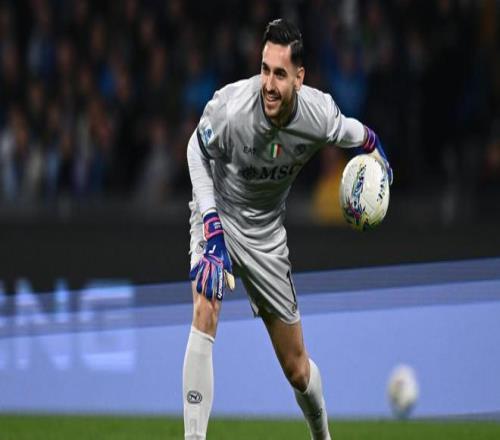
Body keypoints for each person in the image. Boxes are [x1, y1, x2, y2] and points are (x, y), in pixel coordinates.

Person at [183, 18, 392, 440]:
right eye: (264, 70)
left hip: (266, 237)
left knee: (297, 369)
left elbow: (352, 132)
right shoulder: (232, 107)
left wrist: (377, 151)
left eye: (280, 74)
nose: (269, 84)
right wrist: (211, 227)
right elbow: (195, 149)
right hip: (219, 214)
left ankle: (322, 436)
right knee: (206, 305)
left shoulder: (318, 114)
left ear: (300, 77)